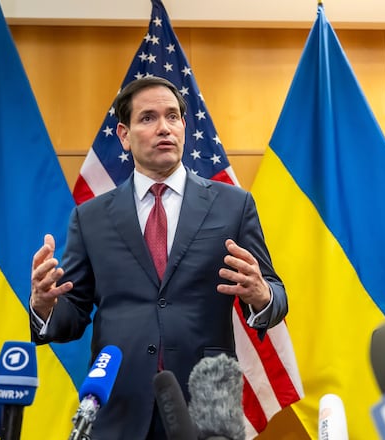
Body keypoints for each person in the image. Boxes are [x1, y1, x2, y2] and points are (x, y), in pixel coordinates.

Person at [29, 76, 288, 439]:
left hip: (207, 404)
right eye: (148, 118)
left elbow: (274, 296)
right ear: (124, 134)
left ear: (184, 126)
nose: (163, 127)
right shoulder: (90, 217)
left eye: (172, 116)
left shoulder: (233, 204)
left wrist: (261, 295)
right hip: (120, 404)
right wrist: (45, 305)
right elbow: (71, 316)